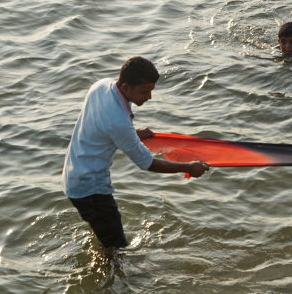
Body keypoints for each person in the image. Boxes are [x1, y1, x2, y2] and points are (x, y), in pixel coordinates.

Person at [61, 56, 209, 249]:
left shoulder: (101, 86)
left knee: (105, 234)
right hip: (90, 188)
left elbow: (102, 125)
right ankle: (118, 275)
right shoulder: (118, 123)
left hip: (73, 177)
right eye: (144, 92)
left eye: (151, 90)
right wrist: (188, 167)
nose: (149, 97)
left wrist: (133, 134)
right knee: (117, 248)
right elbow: (146, 163)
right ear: (125, 88)